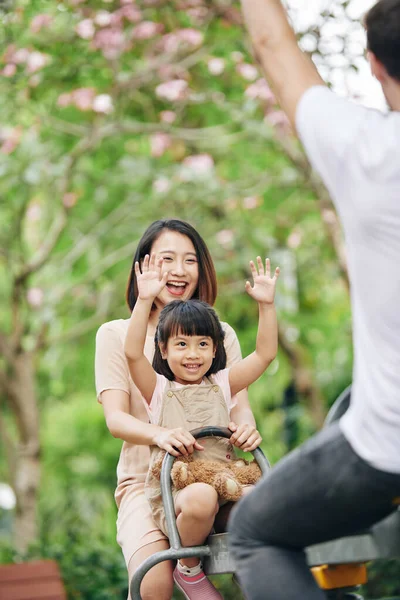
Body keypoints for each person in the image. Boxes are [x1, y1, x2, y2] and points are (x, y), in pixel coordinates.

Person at [228, 1, 400, 599]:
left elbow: (276, 49)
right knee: (350, 403)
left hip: (387, 448)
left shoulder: (370, 153)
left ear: (376, 66)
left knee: (254, 533)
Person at [95, 219, 264, 600]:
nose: (179, 270)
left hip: (217, 473)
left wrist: (247, 429)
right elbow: (115, 418)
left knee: (264, 542)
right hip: (147, 481)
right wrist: (162, 434)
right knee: (153, 580)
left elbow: (239, 408)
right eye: (166, 259)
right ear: (144, 267)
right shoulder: (117, 335)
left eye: (190, 260)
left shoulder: (217, 334)